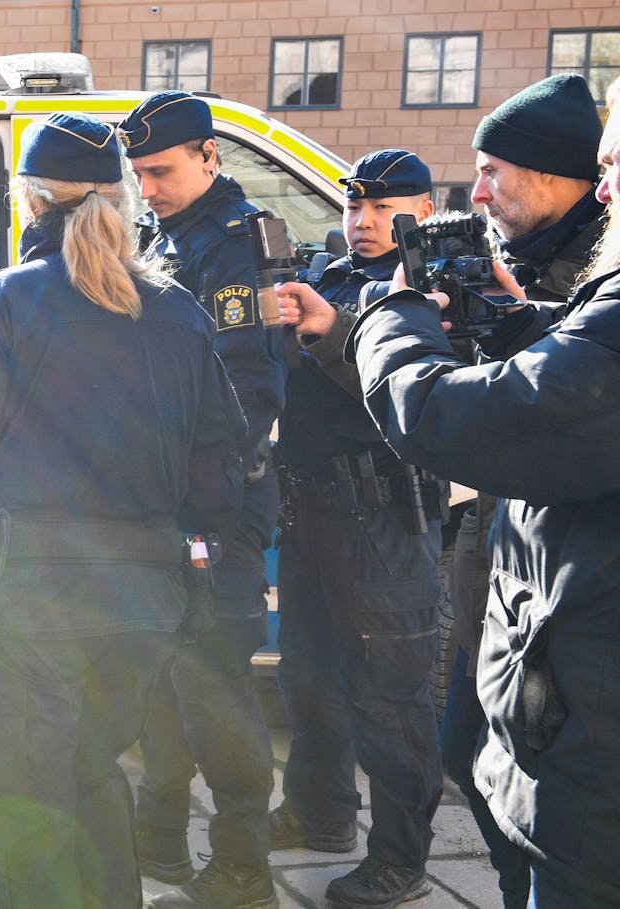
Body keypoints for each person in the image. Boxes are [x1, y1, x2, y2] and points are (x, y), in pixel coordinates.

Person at [0, 112, 247, 909]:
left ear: (29, 203)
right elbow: (222, 473)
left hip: (29, 604)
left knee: (25, 805)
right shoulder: (177, 313)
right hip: (141, 605)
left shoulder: (2, 303)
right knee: (92, 774)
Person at [344, 74, 620, 908]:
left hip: (591, 742)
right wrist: (524, 319)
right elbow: (578, 369)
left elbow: (454, 417)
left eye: (617, 163)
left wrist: (390, 321)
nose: (606, 186)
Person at [438, 74, 605, 909]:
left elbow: (505, 419)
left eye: (492, 170)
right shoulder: (557, 273)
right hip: (521, 589)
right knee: (473, 758)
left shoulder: (597, 281)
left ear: (552, 175)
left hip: (571, 642)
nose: (476, 194)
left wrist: (388, 335)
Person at [117, 91, 286, 909]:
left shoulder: (232, 246)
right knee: (161, 682)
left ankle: (244, 866)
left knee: (219, 693)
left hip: (215, 506)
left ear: (209, 157)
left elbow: (247, 393)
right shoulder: (167, 233)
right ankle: (160, 840)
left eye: (161, 170)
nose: (146, 188)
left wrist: (194, 498)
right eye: (138, 174)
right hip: (167, 506)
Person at [270, 150, 446, 909]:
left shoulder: (433, 291)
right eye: (354, 206)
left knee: (390, 695)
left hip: (383, 517)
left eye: (383, 208)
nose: (363, 220)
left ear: (425, 211)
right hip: (310, 508)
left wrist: (330, 329)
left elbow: (405, 390)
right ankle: (322, 812)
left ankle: (401, 857)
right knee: (308, 674)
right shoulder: (333, 274)